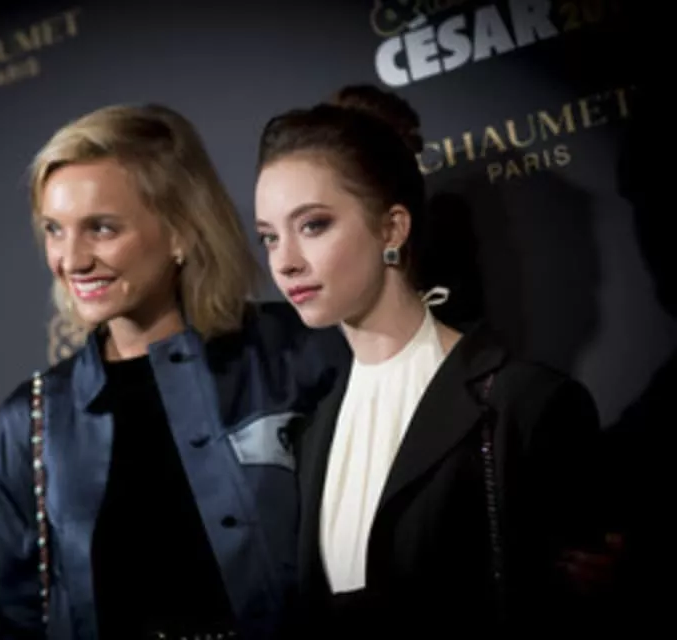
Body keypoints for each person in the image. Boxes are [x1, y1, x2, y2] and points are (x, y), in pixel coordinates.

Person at [0, 103, 346, 640]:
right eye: (55, 230)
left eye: (101, 228)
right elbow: (22, 618)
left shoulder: (300, 354)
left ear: (181, 231)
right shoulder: (25, 425)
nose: (71, 260)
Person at [253, 85, 603, 634]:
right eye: (269, 238)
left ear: (392, 227)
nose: (285, 262)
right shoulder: (313, 433)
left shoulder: (525, 405)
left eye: (313, 225)